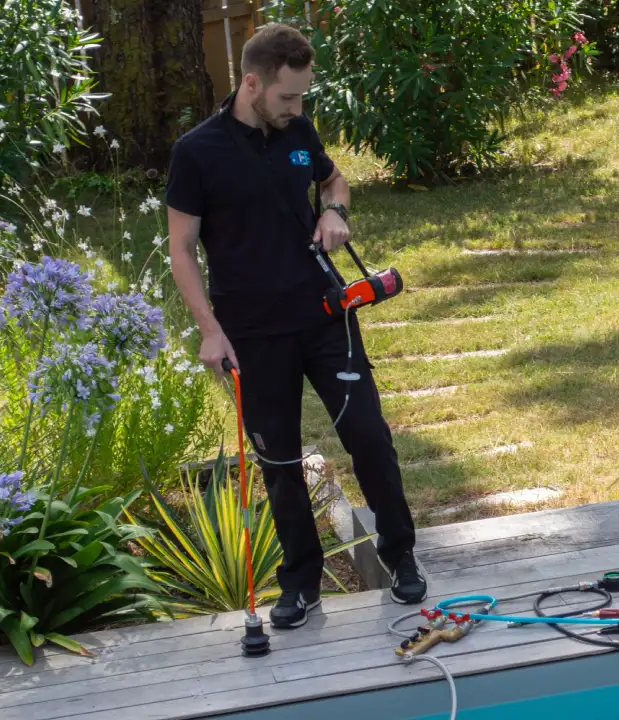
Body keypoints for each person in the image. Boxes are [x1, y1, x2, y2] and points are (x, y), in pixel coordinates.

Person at [165, 23, 427, 629]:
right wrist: (209, 329)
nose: (297, 108)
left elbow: (334, 179)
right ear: (251, 83)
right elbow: (182, 247)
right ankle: (301, 584)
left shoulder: (299, 132)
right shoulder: (196, 152)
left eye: (303, 96)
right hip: (251, 331)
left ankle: (401, 556)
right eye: (287, 97)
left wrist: (335, 210)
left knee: (369, 435)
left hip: (324, 315)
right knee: (278, 461)